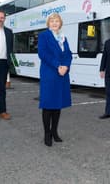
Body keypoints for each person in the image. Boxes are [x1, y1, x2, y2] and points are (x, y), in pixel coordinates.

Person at [38, 13, 72, 147]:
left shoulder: (64, 37)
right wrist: (57, 65)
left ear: (60, 23)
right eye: (51, 21)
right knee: (48, 105)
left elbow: (68, 54)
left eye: (56, 21)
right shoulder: (44, 36)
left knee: (57, 104)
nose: (54, 23)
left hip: (62, 74)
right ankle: (47, 134)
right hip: (49, 73)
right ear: (48, 23)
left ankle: (54, 132)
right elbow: (43, 53)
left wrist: (66, 66)